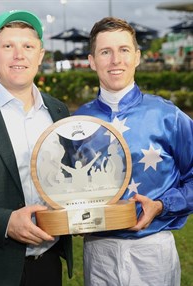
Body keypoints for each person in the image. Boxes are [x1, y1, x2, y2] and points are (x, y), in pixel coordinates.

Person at [73, 17, 193, 286]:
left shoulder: (167, 115)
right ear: (92, 61)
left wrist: (162, 205)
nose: (116, 60)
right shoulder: (77, 122)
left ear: (137, 57)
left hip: (153, 249)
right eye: (106, 52)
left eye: (124, 50)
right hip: (98, 251)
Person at [0, 10, 73, 286]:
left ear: (40, 55)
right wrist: (4, 222)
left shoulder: (59, 111)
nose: (18, 54)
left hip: (47, 264)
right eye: (7, 46)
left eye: (27, 46)